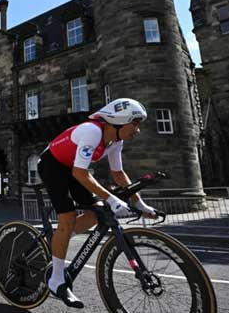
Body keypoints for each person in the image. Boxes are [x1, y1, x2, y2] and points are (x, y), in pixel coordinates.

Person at [38, 98, 158, 308]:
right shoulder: (92, 132)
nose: (137, 131)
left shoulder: (115, 142)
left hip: (73, 168)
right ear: (120, 121)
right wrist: (111, 198)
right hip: (53, 164)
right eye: (135, 124)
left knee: (97, 213)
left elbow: (118, 173)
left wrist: (140, 204)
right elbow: (80, 173)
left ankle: (59, 238)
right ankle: (56, 280)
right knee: (68, 216)